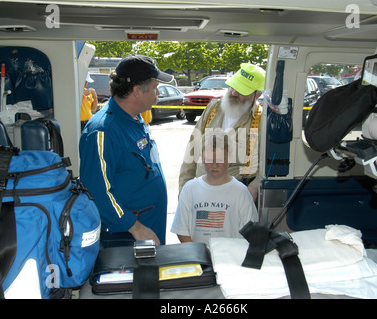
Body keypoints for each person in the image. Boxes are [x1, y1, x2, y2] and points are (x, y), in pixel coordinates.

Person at [79, 54, 173, 246]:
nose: (158, 94)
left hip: (150, 227)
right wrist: (135, 227)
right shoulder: (102, 131)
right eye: (155, 88)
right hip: (128, 237)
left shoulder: (135, 119)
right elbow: (98, 192)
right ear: (137, 91)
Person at [179, 63, 265, 201]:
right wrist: (184, 187)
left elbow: (267, 164)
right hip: (202, 194)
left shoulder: (261, 120)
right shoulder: (213, 109)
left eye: (242, 90)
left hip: (236, 198)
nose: (234, 93)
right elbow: (192, 148)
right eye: (233, 86)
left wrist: (254, 187)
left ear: (257, 95)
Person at [171, 130, 259, 246]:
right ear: (202, 158)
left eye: (220, 159)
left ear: (230, 158)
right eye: (209, 159)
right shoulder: (190, 189)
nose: (214, 165)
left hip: (230, 259)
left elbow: (251, 234)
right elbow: (181, 230)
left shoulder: (241, 193)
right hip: (199, 259)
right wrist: (198, 254)